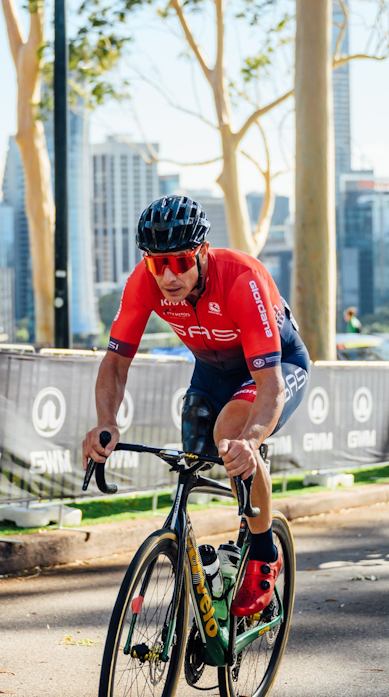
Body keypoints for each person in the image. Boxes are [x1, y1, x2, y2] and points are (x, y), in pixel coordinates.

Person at [83, 195, 310, 618]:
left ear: (203, 252)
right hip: (211, 370)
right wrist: (106, 422)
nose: (169, 275)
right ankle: (211, 568)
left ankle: (263, 555)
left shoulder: (242, 279)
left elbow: (270, 383)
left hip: (274, 367)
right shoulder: (144, 282)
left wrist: (252, 439)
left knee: (232, 435)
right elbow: (115, 362)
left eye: (181, 261)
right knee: (192, 456)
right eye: (157, 263)